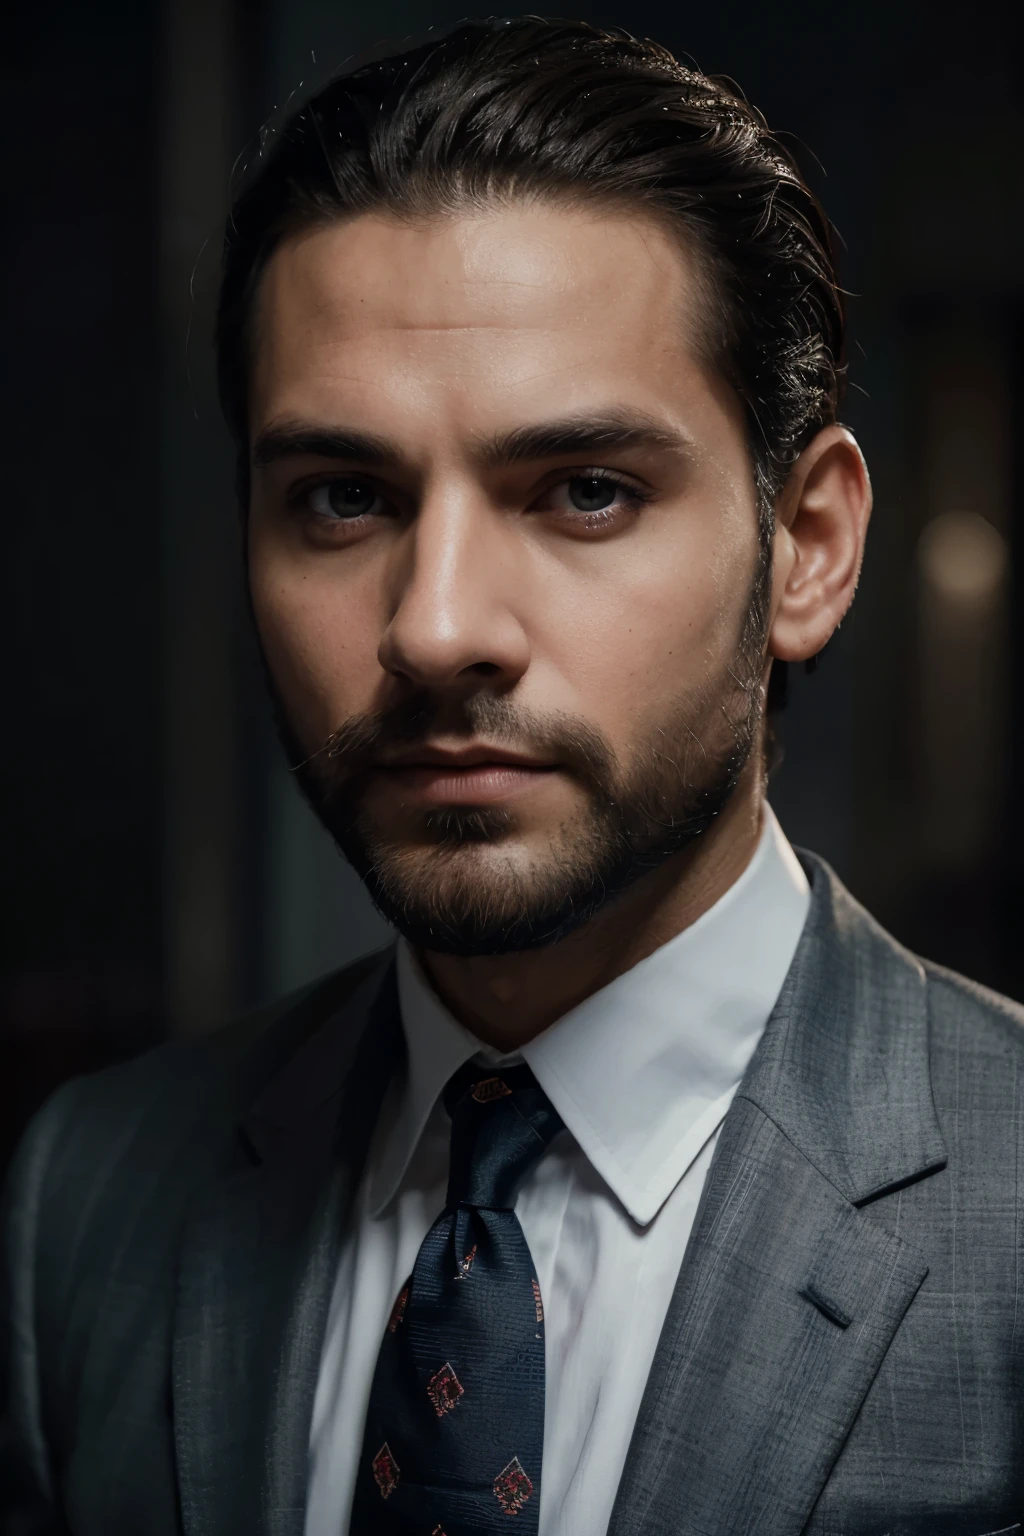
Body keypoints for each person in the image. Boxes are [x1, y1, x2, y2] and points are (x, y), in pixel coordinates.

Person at [3, 16, 1022, 1535]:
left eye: (587, 493)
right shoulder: (86, 1197)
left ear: (807, 546)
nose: (435, 628)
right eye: (343, 499)